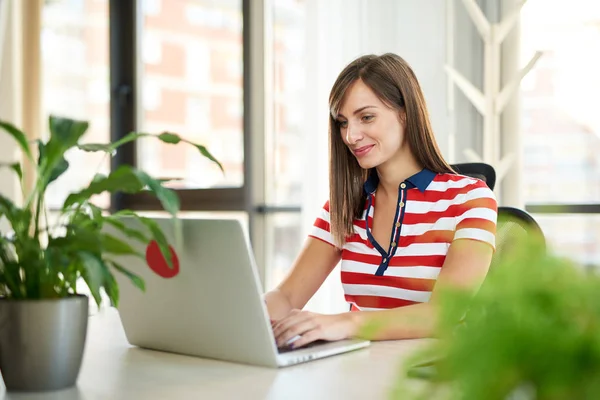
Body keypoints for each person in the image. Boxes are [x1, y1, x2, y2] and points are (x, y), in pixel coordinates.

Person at [264, 53, 497, 349]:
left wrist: (346, 322)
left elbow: (444, 315)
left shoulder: (470, 198)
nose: (350, 136)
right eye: (342, 122)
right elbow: (286, 297)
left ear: (405, 113)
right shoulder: (343, 208)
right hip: (359, 373)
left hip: (430, 376)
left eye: (366, 117)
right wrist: (245, 318)